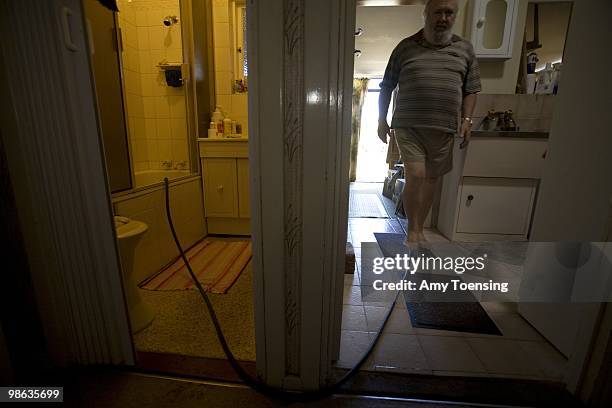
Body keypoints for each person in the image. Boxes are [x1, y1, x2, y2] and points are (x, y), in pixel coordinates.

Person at [377, 0, 481, 246]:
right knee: (416, 174)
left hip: (444, 128)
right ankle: (413, 231)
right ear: (425, 14)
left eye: (449, 13)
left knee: (432, 179)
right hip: (408, 125)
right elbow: (386, 86)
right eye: (438, 12)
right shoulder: (405, 48)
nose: (443, 18)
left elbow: (472, 89)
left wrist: (467, 120)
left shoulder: (465, 50)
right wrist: (382, 120)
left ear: (455, 16)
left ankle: (418, 227)